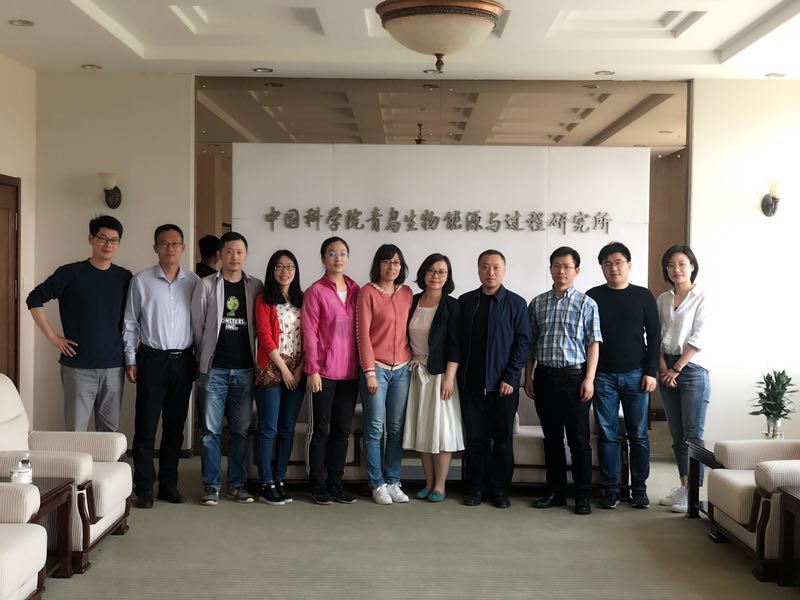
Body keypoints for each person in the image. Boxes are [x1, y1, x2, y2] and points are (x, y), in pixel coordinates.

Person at [26, 215, 132, 432]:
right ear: (91, 239)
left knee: (109, 434)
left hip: (114, 366)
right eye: (102, 238)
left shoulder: (124, 277)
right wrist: (53, 337)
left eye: (114, 240)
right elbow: (34, 299)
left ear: (119, 243)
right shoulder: (70, 273)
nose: (108, 244)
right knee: (76, 432)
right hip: (78, 367)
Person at [123, 224, 198, 508]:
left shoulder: (194, 282)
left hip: (183, 360)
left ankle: (168, 484)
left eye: (175, 243)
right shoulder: (141, 281)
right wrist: (130, 359)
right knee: (145, 427)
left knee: (174, 428)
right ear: (155, 248)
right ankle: (144, 488)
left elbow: (200, 323)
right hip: (151, 359)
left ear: (183, 248)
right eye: (164, 243)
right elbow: (130, 323)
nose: (170, 248)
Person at [525, 246, 601, 515]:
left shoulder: (587, 304)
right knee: (552, 438)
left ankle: (582, 496)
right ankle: (555, 492)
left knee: (579, 440)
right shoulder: (537, 303)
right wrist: (528, 376)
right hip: (544, 377)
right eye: (556, 266)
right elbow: (531, 344)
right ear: (550, 269)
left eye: (567, 266)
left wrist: (589, 379)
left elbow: (593, 344)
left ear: (577, 271)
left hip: (574, 378)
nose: (561, 271)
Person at [586, 242, 660, 510]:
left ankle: (639, 489)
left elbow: (654, 336)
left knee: (638, 435)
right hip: (603, 376)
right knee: (607, 435)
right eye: (607, 264)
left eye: (618, 262)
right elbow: (586, 338)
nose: (613, 268)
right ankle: (611, 489)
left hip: (636, 375)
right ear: (602, 268)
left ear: (629, 265)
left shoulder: (643, 296)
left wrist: (651, 372)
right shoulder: (593, 296)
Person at [191, 231, 263, 506]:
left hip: (245, 369)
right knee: (211, 432)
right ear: (220, 254)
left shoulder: (255, 286)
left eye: (239, 252)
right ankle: (211, 486)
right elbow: (197, 326)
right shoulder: (206, 284)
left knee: (240, 431)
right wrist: (204, 358)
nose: (234, 257)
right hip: (215, 369)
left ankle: (236, 484)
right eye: (229, 251)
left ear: (246, 255)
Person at [458, 250, 532, 509]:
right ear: (478, 269)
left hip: (504, 386)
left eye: (496, 267)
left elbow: (523, 342)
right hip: (471, 385)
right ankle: (475, 488)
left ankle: (500, 490)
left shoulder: (516, 303)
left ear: (504, 270)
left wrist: (511, 376)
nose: (491, 272)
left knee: (502, 439)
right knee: (475, 439)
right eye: (485, 267)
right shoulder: (466, 302)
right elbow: (457, 341)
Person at [301, 237, 360, 505]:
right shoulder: (316, 291)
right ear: (323, 258)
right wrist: (312, 370)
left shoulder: (357, 290)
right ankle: (317, 484)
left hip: (349, 374)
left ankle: (336, 483)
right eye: (332, 253)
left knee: (342, 430)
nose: (338, 258)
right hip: (322, 373)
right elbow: (309, 333)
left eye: (343, 253)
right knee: (320, 430)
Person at [403, 253, 464, 503]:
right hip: (416, 373)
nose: (436, 276)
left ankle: (440, 485)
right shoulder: (412, 301)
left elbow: (456, 344)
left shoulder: (452, 305)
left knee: (442, 430)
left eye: (441, 272)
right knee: (423, 430)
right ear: (423, 273)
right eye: (431, 270)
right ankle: (428, 483)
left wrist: (449, 377)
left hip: (440, 374)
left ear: (447, 277)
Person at [357, 244, 413, 505]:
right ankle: (377, 483)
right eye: (387, 261)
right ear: (378, 265)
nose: (392, 267)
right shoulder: (367, 292)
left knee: (396, 428)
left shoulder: (407, 293)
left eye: (397, 262)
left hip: (402, 368)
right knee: (375, 428)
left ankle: (393, 480)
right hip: (376, 369)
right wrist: (369, 372)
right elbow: (363, 336)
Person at [656, 244, 709, 514]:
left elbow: (699, 338)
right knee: (676, 433)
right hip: (666, 368)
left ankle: (694, 493)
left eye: (681, 264)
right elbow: (655, 335)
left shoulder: (703, 297)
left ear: (692, 266)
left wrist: (675, 369)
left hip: (691, 370)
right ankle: (684, 485)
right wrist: (663, 368)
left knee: (693, 434)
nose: (676, 269)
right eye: (671, 265)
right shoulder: (663, 299)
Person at [253, 250, 305, 505]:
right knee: (268, 427)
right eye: (279, 267)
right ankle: (266, 482)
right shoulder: (264, 299)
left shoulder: (302, 299)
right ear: (272, 270)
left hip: (297, 369)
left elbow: (311, 335)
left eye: (290, 267)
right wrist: (284, 369)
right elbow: (264, 335)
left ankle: (279, 478)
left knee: (287, 428)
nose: (285, 272)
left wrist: (300, 368)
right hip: (272, 367)